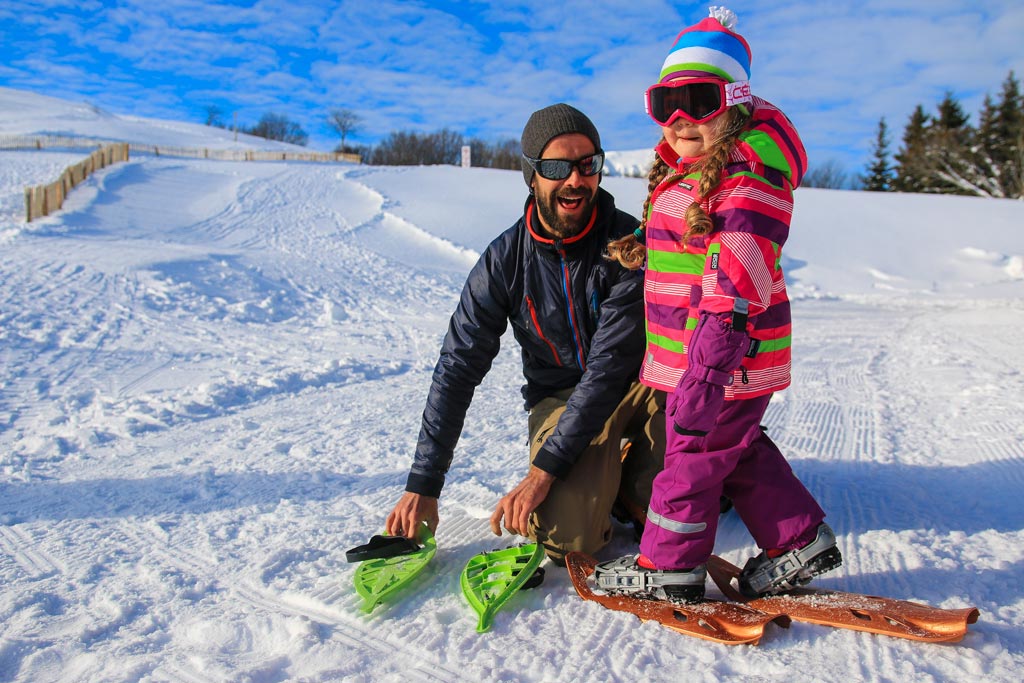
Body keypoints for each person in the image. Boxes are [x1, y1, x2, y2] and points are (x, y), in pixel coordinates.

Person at [594, 7, 841, 603]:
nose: (680, 120)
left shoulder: (747, 175)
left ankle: (669, 565)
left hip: (725, 354)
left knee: (691, 457)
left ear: (733, 102)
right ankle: (798, 539)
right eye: (664, 104)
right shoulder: (697, 172)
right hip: (714, 356)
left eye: (700, 101)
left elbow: (737, 280)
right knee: (733, 449)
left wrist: (706, 370)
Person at [385, 103, 665, 564]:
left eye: (587, 164)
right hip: (558, 395)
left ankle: (632, 475)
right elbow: (457, 368)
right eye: (557, 167)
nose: (576, 179)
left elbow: (609, 369)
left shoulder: (627, 243)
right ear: (532, 175)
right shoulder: (504, 261)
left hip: (638, 387)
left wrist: (543, 472)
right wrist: (424, 485)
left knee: (678, 503)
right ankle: (608, 475)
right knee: (566, 537)